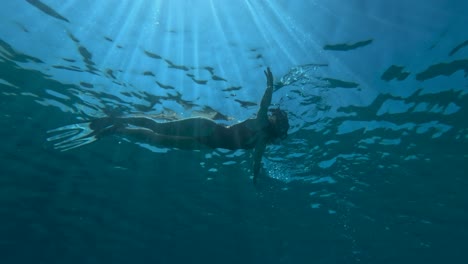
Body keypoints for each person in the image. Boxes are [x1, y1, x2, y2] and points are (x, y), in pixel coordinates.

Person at [48, 67, 290, 182]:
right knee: (159, 129)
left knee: (158, 138)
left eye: (277, 120)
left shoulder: (261, 138)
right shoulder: (260, 129)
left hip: (205, 143)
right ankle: (116, 120)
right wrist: (269, 86)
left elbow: (256, 161)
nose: (273, 120)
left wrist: (256, 178)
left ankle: (117, 129)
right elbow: (263, 106)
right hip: (207, 131)